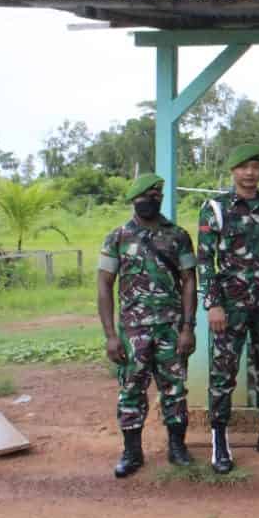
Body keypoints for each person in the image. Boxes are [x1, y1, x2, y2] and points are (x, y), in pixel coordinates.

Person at [97, 173, 197, 477]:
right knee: (131, 391)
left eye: (156, 196)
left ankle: (177, 448)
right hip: (132, 332)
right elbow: (104, 285)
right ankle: (131, 452)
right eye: (144, 196)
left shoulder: (178, 236)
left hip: (171, 328)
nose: (150, 201)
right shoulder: (117, 237)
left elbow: (190, 281)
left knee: (175, 390)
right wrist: (111, 335)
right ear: (133, 200)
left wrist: (188, 327)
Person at [199, 144, 259, 473]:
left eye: (255, 166)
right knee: (222, 374)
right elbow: (204, 261)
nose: (250, 173)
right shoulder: (215, 207)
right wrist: (213, 305)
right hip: (229, 306)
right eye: (243, 167)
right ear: (232, 170)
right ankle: (219, 440)